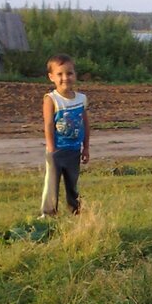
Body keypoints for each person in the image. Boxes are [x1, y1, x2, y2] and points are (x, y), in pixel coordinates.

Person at [40, 53, 90, 216]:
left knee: (72, 183)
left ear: (75, 74)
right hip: (57, 150)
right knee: (52, 184)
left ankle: (75, 211)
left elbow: (85, 124)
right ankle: (48, 214)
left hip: (74, 150)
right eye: (60, 74)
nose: (65, 78)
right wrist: (51, 148)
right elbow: (48, 124)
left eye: (69, 73)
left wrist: (85, 147)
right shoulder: (51, 99)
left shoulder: (81, 99)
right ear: (51, 77)